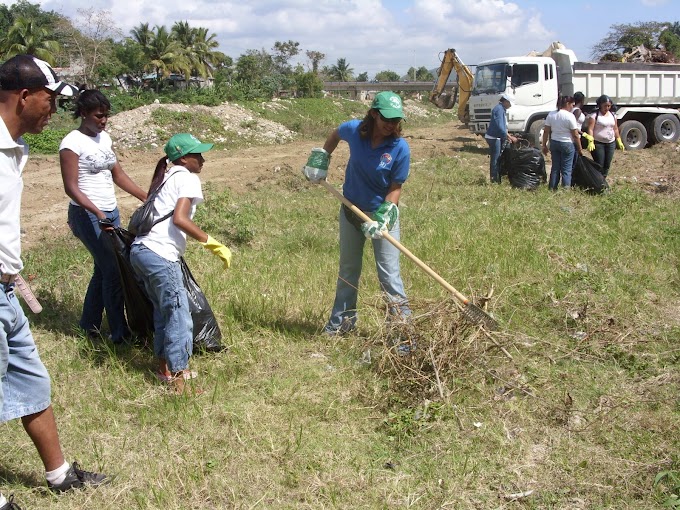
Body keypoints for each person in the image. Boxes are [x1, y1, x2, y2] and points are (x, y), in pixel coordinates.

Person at [0, 54, 108, 508]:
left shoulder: (14, 147)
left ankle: (60, 474)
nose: (54, 109)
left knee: (31, 379)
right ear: (25, 95)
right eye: (50, 99)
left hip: (6, 290)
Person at [302, 91, 412, 347]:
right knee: (348, 271)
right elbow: (335, 134)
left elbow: (395, 188)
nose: (392, 125)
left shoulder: (399, 148)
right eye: (387, 119)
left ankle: (403, 334)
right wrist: (322, 158)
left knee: (389, 276)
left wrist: (384, 217)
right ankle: (341, 324)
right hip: (351, 210)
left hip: (381, 216)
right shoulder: (354, 130)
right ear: (374, 114)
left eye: (397, 120)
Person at [129, 133, 232, 394]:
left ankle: (164, 369)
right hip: (160, 254)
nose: (203, 159)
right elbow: (180, 219)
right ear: (184, 158)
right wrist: (212, 243)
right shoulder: (187, 177)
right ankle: (179, 379)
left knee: (163, 312)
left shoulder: (167, 176)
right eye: (198, 155)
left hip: (140, 252)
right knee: (178, 315)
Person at [59, 89, 147, 344]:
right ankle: (119, 333)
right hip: (87, 215)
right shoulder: (71, 143)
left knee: (103, 269)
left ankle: (89, 325)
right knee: (113, 271)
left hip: (110, 212)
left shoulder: (104, 139)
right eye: (99, 116)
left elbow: (118, 175)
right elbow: (71, 187)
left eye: (106, 116)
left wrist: (145, 196)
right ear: (83, 113)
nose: (104, 121)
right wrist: (97, 213)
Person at [542, 95, 583, 189]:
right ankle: (565, 189)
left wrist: (544, 145)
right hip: (567, 143)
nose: (573, 107)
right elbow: (575, 135)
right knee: (566, 169)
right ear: (567, 104)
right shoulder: (569, 116)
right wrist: (580, 148)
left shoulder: (551, 114)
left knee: (555, 167)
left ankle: (552, 187)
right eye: (572, 105)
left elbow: (546, 131)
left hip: (555, 142)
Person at [583, 94, 624, 177]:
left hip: (610, 143)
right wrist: (591, 141)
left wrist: (619, 140)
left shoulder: (613, 115)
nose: (607, 108)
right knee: (599, 164)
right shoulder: (595, 115)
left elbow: (615, 128)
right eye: (605, 106)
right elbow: (590, 129)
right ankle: (598, 181)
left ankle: (603, 181)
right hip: (598, 143)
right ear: (600, 105)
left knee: (607, 165)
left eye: (609, 106)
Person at [485, 93, 518, 183]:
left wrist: (508, 135)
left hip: (496, 136)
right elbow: (500, 127)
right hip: (494, 137)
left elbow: (503, 126)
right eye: (510, 104)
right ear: (506, 102)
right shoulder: (499, 110)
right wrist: (509, 137)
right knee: (496, 159)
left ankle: (496, 178)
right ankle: (494, 180)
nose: (510, 106)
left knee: (497, 158)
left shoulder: (501, 109)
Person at [571, 91, 586, 170]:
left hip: (574, 136)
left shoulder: (572, 109)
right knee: (575, 159)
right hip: (575, 137)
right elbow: (574, 126)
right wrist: (583, 134)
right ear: (582, 100)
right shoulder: (577, 111)